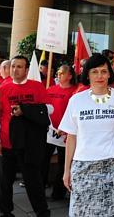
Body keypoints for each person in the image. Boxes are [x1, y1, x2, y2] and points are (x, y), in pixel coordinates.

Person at [59, 53, 114, 216]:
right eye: (95, 71)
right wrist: (67, 170)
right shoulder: (76, 100)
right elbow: (71, 137)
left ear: (110, 74)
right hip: (83, 168)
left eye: (104, 71)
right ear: (87, 74)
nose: (100, 76)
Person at [0, 55, 52, 217]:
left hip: (30, 143)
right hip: (6, 142)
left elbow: (49, 109)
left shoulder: (37, 86)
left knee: (34, 181)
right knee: (4, 182)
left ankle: (42, 212)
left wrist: (25, 109)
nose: (15, 70)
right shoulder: (2, 88)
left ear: (26, 70)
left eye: (19, 67)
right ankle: (6, 213)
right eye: (13, 66)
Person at [41, 64, 77, 200]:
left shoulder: (75, 92)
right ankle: (40, 187)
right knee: (43, 161)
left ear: (70, 76)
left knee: (63, 163)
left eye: (62, 73)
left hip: (66, 133)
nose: (58, 75)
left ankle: (58, 192)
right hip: (50, 131)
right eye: (58, 72)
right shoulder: (49, 90)